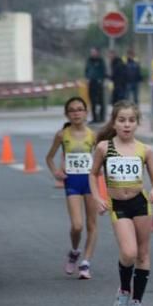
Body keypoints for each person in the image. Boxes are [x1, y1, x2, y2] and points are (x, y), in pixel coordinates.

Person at [88, 101, 153, 306]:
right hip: (118, 205)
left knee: (142, 253)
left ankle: (137, 302)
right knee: (129, 252)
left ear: (137, 123)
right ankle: (123, 289)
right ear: (114, 122)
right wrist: (97, 197)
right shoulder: (104, 147)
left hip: (140, 203)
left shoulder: (145, 150)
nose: (127, 125)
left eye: (131, 120)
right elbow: (93, 175)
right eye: (122, 120)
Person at [44, 96, 99, 279]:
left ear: (86, 112)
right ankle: (75, 251)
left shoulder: (93, 135)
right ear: (67, 114)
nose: (76, 113)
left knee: (92, 224)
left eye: (80, 109)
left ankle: (86, 263)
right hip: (72, 182)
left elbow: (102, 159)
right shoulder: (62, 135)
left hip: (90, 182)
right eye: (72, 110)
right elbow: (49, 157)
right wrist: (56, 173)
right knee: (77, 225)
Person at [85, 48, 107, 123]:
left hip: (99, 83)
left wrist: (101, 80)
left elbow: (103, 71)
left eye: (94, 52)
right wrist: (87, 78)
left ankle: (101, 117)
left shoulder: (101, 61)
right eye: (92, 52)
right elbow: (87, 70)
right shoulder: (89, 60)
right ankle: (94, 118)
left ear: (98, 53)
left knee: (101, 101)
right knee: (93, 101)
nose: (93, 53)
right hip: (91, 83)